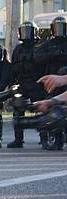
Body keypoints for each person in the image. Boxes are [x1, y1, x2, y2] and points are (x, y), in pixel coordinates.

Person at [7, 21, 46, 148]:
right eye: (24, 31)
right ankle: (18, 139)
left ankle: (44, 139)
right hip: (22, 83)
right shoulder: (18, 49)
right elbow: (13, 67)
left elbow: (45, 66)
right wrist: (11, 84)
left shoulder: (40, 47)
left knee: (40, 111)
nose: (26, 34)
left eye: (29, 31)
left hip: (37, 84)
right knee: (18, 110)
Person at [33, 16, 67, 150]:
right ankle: (51, 140)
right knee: (50, 110)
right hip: (50, 84)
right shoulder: (47, 44)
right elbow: (37, 57)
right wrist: (54, 54)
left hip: (62, 81)